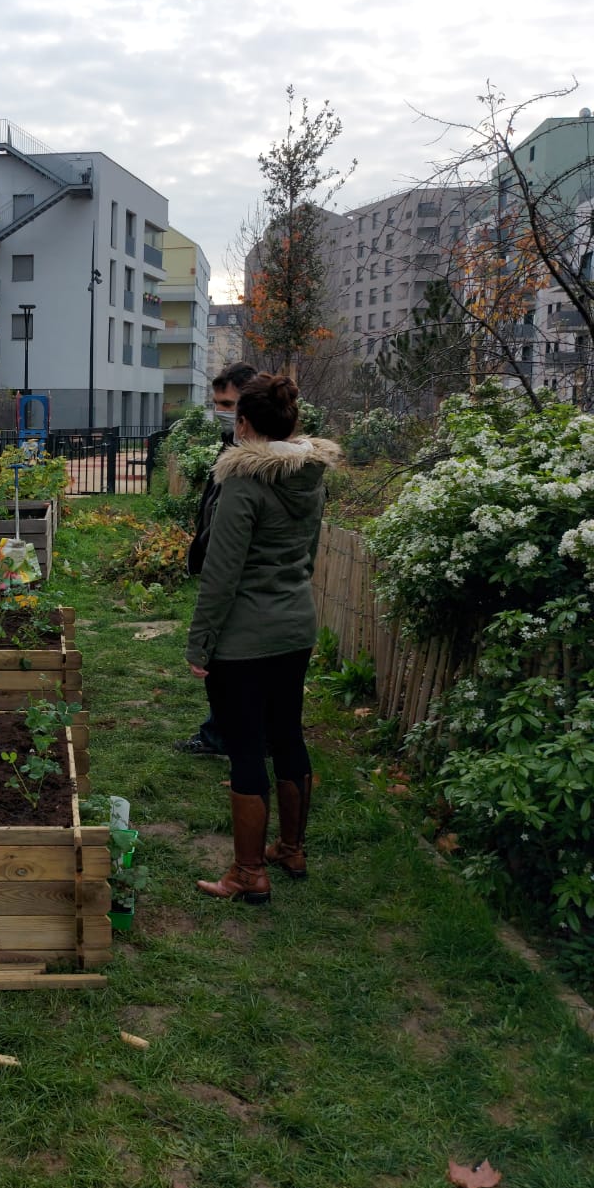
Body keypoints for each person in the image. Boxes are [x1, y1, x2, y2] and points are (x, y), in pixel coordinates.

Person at [184, 373, 340, 903]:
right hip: (296, 627)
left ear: (244, 424)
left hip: (244, 640)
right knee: (288, 735)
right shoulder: (311, 477)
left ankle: (248, 873)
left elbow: (220, 575)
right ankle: (291, 848)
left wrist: (199, 644)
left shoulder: (243, 482)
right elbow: (308, 555)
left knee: (246, 749)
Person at [174, 362, 257, 758]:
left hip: (239, 582)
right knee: (225, 669)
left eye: (228, 404)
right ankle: (220, 732)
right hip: (225, 572)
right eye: (217, 403)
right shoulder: (233, 446)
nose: (221, 411)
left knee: (224, 666)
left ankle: (230, 739)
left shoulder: (255, 459)